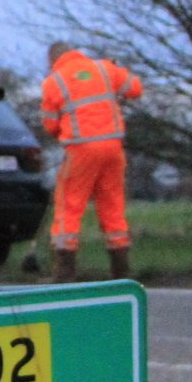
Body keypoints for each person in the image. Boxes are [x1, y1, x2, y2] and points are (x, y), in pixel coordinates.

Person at [39, 40, 142, 282]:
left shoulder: (54, 81)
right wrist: (119, 71)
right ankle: (121, 271)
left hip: (81, 150)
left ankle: (65, 271)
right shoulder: (105, 69)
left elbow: (49, 124)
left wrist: (63, 133)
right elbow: (135, 89)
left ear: (53, 60)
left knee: (69, 205)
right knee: (113, 206)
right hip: (113, 150)